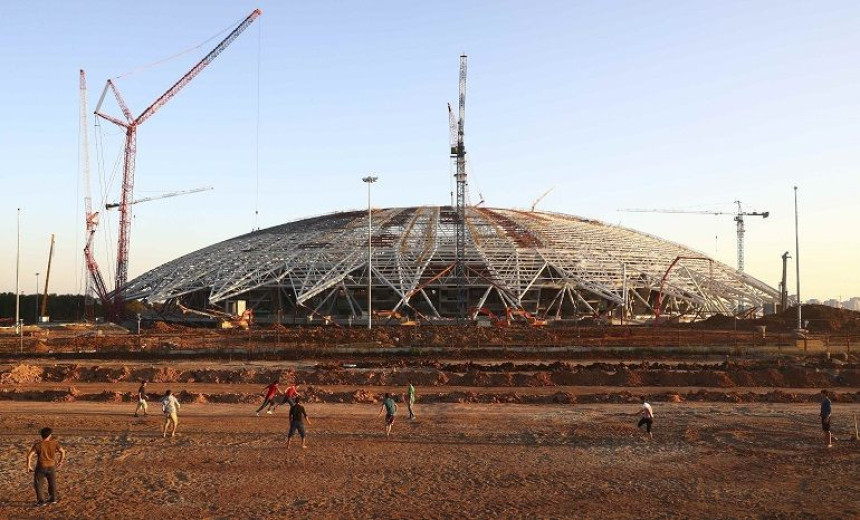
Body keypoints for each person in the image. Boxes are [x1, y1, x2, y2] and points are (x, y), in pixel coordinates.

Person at [26, 427, 66, 507]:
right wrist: (60, 461)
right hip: (51, 466)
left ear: (41, 435)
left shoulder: (38, 445)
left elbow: (29, 456)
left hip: (41, 467)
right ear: (50, 435)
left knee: (39, 484)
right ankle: (53, 499)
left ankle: (41, 501)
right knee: (52, 483)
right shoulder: (54, 443)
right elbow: (62, 451)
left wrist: (28, 466)